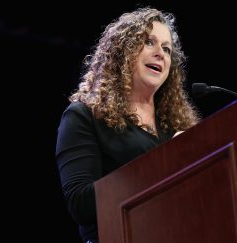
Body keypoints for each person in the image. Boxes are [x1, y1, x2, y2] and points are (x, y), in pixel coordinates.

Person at [55, 7, 199, 243]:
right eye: (149, 42)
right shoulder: (84, 116)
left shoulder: (176, 125)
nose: (160, 54)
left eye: (166, 49)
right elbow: (81, 203)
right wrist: (166, 161)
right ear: (123, 51)